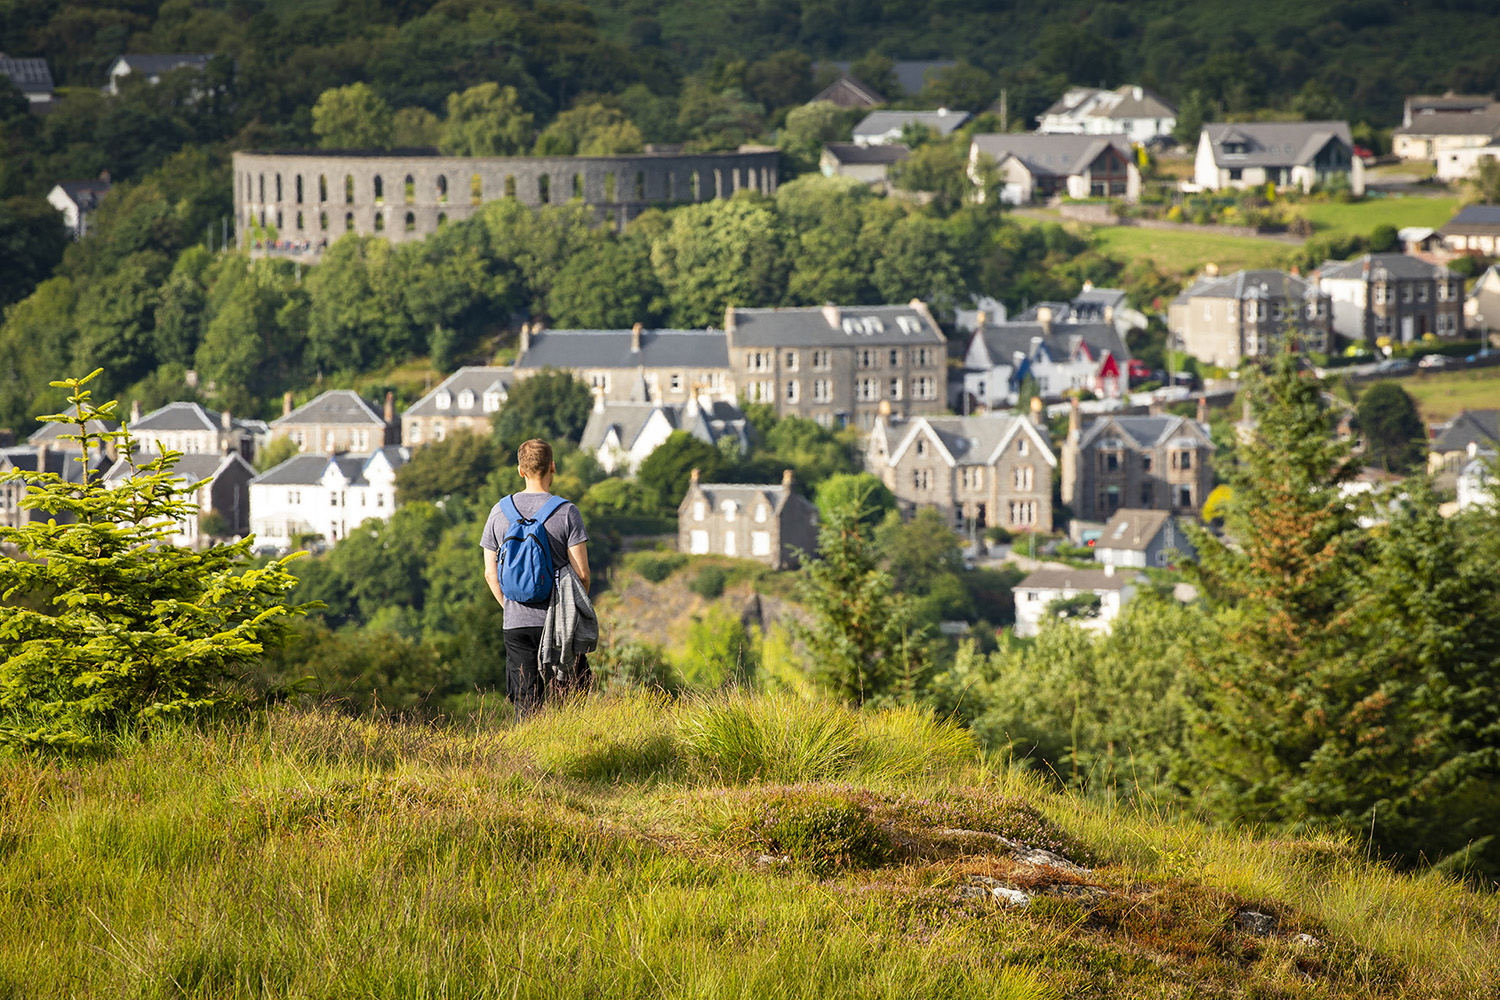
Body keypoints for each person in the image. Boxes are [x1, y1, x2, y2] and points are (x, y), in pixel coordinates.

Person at [481, 439, 591, 718]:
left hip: (516, 624)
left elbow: (490, 573)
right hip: (557, 625)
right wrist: (572, 612)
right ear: (553, 467)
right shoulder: (567, 512)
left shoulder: (499, 511)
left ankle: (527, 759)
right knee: (570, 701)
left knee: (526, 704)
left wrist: (510, 608)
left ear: (520, 470)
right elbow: (582, 574)